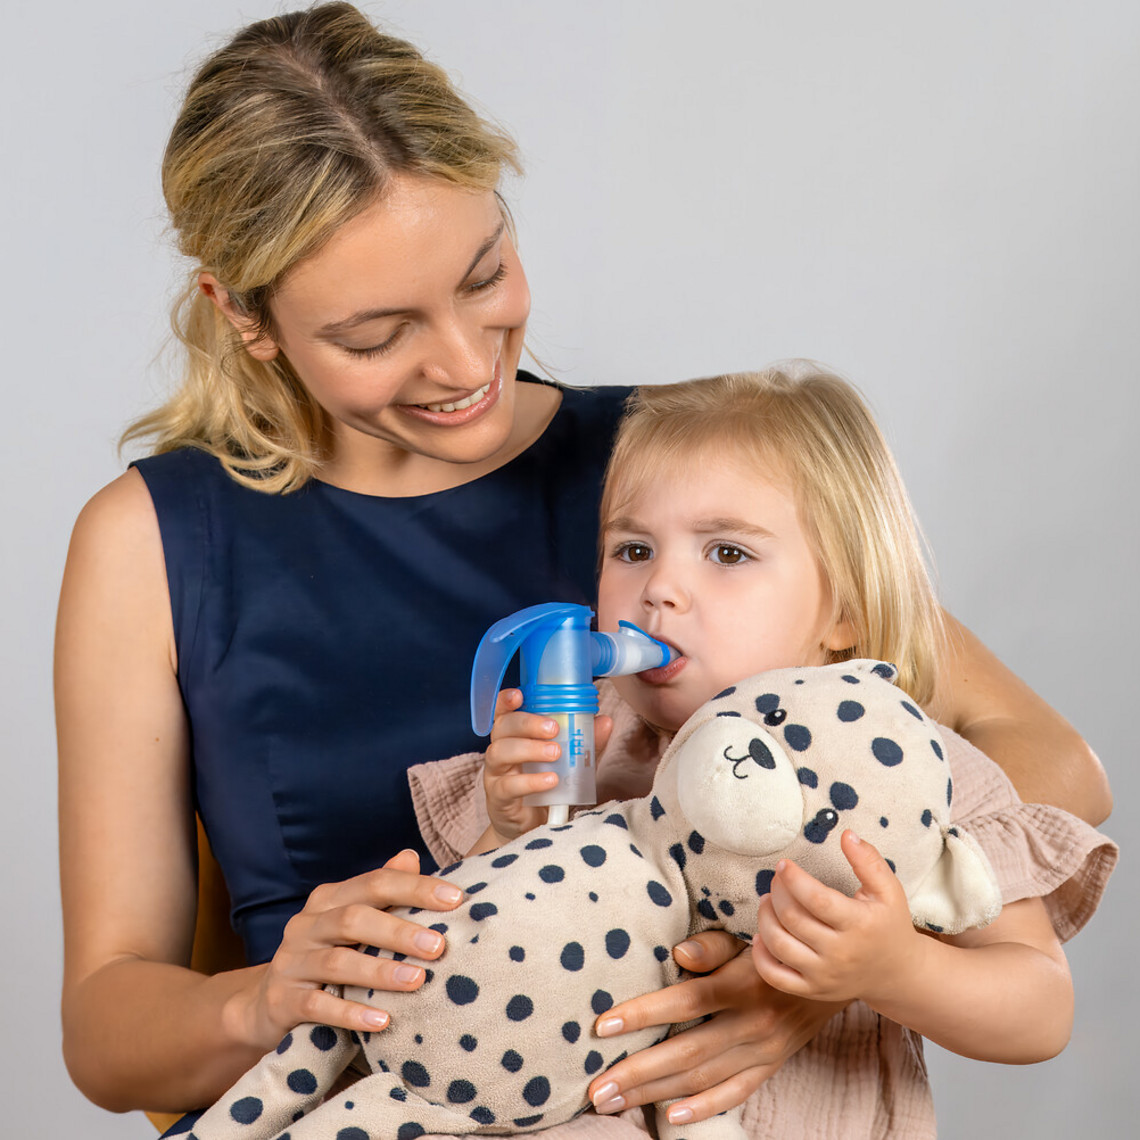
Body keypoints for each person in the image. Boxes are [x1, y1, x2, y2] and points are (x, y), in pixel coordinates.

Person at [54, 3, 1109, 1129]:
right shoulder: (153, 541)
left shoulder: (675, 479)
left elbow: (1055, 768)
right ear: (244, 316)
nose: (464, 362)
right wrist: (267, 1002)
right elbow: (110, 1037)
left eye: (484, 271)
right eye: (375, 335)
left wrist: (797, 959)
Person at [432, 365, 1115, 1136]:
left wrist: (900, 969)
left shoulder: (903, 770)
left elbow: (1040, 1010)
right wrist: (511, 831)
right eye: (631, 550)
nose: (660, 589)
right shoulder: (592, 745)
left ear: (845, 613)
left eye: (726, 554)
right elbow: (467, 962)